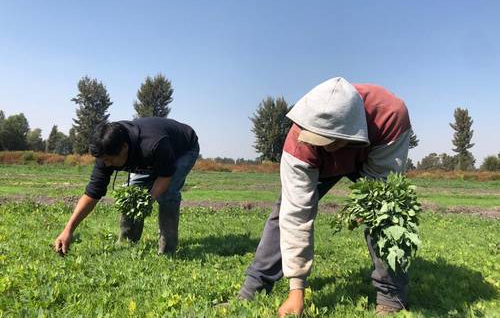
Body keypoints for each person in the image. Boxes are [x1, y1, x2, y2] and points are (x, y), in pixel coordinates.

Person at [238, 77, 412, 316]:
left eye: (328, 141)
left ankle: (391, 296)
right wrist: (296, 289)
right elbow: (296, 214)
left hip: (373, 152)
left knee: (386, 215)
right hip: (317, 165)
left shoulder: (389, 115)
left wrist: (366, 208)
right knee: (284, 212)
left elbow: (381, 190)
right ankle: (255, 285)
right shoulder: (299, 143)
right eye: (317, 139)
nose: (322, 146)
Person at [53, 117, 199, 255]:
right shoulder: (105, 151)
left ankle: (168, 249)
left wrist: (149, 198)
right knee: (131, 194)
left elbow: (165, 176)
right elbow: (93, 192)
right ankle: (128, 243)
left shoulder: (152, 144)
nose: (107, 165)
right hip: (152, 153)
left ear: (124, 148)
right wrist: (68, 229)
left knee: (167, 194)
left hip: (183, 149)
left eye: (109, 160)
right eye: (104, 161)